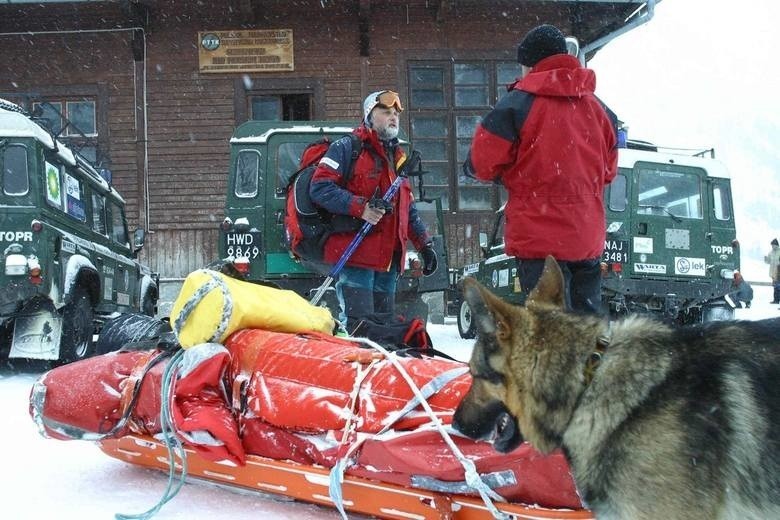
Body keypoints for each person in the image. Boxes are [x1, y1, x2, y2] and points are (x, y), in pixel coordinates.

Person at [462, 24, 618, 314]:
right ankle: (595, 360)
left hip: (538, 237)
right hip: (586, 236)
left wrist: (509, 172)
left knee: (548, 326)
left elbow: (481, 163)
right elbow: (608, 172)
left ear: (530, 64)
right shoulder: (599, 110)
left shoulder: (516, 105)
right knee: (587, 323)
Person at [309, 90, 437, 329]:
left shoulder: (398, 158)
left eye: (396, 114)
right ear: (369, 116)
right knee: (360, 326)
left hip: (389, 260)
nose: (393, 117)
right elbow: (320, 188)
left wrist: (424, 244)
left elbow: (406, 208)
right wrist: (362, 208)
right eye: (386, 112)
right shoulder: (347, 148)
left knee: (383, 326)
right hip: (358, 254)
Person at [764, 238, 780, 304]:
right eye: (772, 245)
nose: (772, 246)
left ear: (776, 245)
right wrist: (766, 259)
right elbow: (768, 262)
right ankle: (776, 300)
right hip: (773, 273)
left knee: (778, 287)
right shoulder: (770, 252)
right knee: (775, 287)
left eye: (773, 245)